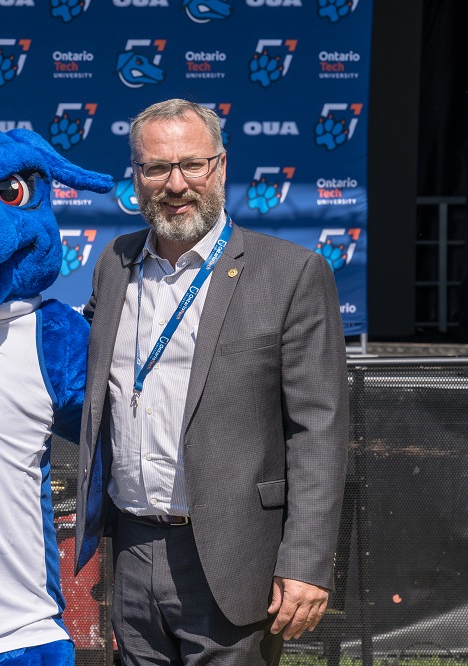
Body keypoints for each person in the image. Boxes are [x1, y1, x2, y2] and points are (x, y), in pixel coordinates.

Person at [73, 99, 348, 665]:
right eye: (156, 168)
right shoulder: (115, 262)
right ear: (137, 177)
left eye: (191, 165)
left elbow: (318, 430)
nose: (175, 184)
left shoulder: (291, 274)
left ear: (220, 167)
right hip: (130, 548)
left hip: (233, 553)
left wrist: (305, 563)